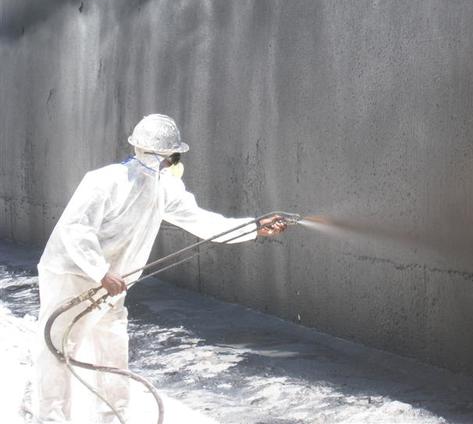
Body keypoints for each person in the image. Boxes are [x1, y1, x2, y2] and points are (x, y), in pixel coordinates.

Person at [32, 114, 287, 423]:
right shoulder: (105, 180)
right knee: (59, 348)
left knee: (113, 347)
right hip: (71, 273)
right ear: (164, 155)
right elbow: (76, 229)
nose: (173, 162)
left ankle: (113, 417)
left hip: (113, 283)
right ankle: (48, 418)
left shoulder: (163, 188)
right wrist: (100, 271)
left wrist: (254, 227)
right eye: (172, 156)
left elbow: (202, 221)